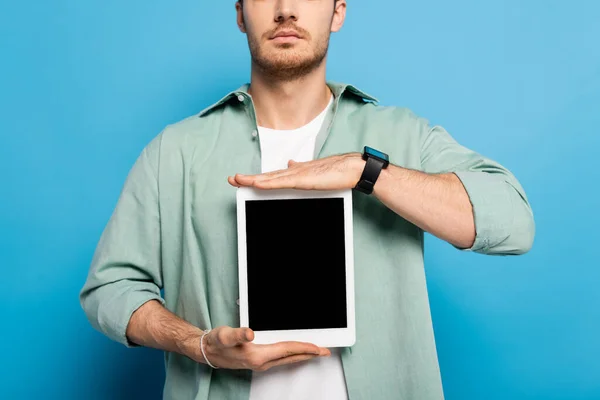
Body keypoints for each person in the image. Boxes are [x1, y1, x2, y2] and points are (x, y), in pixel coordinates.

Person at [79, 0, 535, 399]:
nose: (286, 9)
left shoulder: (402, 135)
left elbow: (513, 222)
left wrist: (366, 170)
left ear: (338, 11)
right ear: (240, 13)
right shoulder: (175, 151)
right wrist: (196, 343)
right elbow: (110, 289)